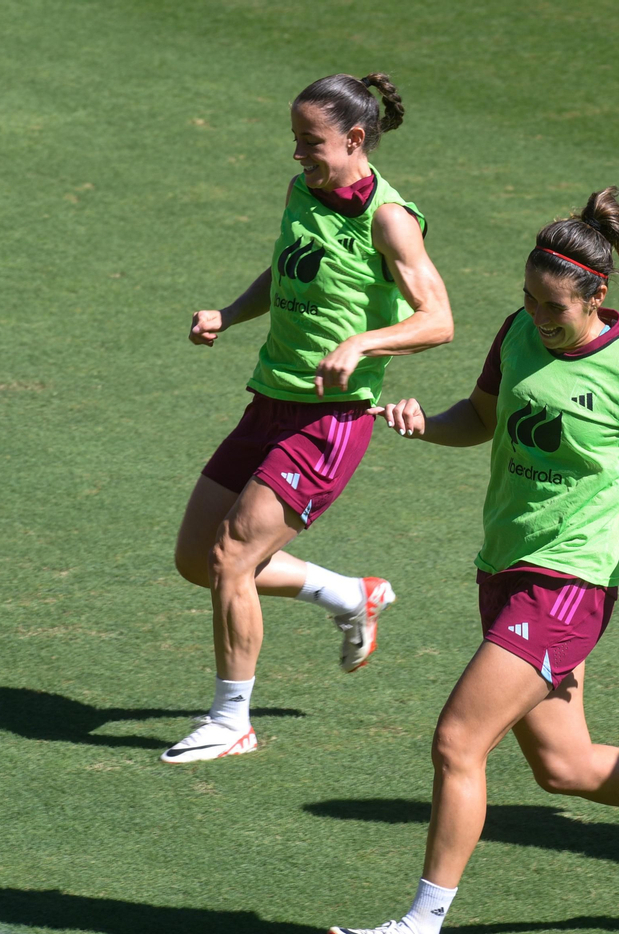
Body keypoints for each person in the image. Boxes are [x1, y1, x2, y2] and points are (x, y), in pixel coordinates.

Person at [329, 187, 619, 934]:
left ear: (596, 296)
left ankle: (422, 921)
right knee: (564, 766)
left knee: (457, 742)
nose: (539, 319)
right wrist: (426, 426)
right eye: (529, 300)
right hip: (505, 569)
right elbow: (482, 420)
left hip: (569, 582)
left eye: (554, 308)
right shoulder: (517, 333)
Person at [165, 73, 454, 764]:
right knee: (195, 558)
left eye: (310, 141)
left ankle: (233, 720)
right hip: (270, 398)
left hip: (328, 422)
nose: (297, 154)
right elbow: (290, 268)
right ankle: (351, 595)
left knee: (232, 557)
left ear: (355, 139)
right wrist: (230, 315)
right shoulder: (304, 191)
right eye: (295, 140)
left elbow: (438, 320)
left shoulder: (388, 219)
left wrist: (362, 344)